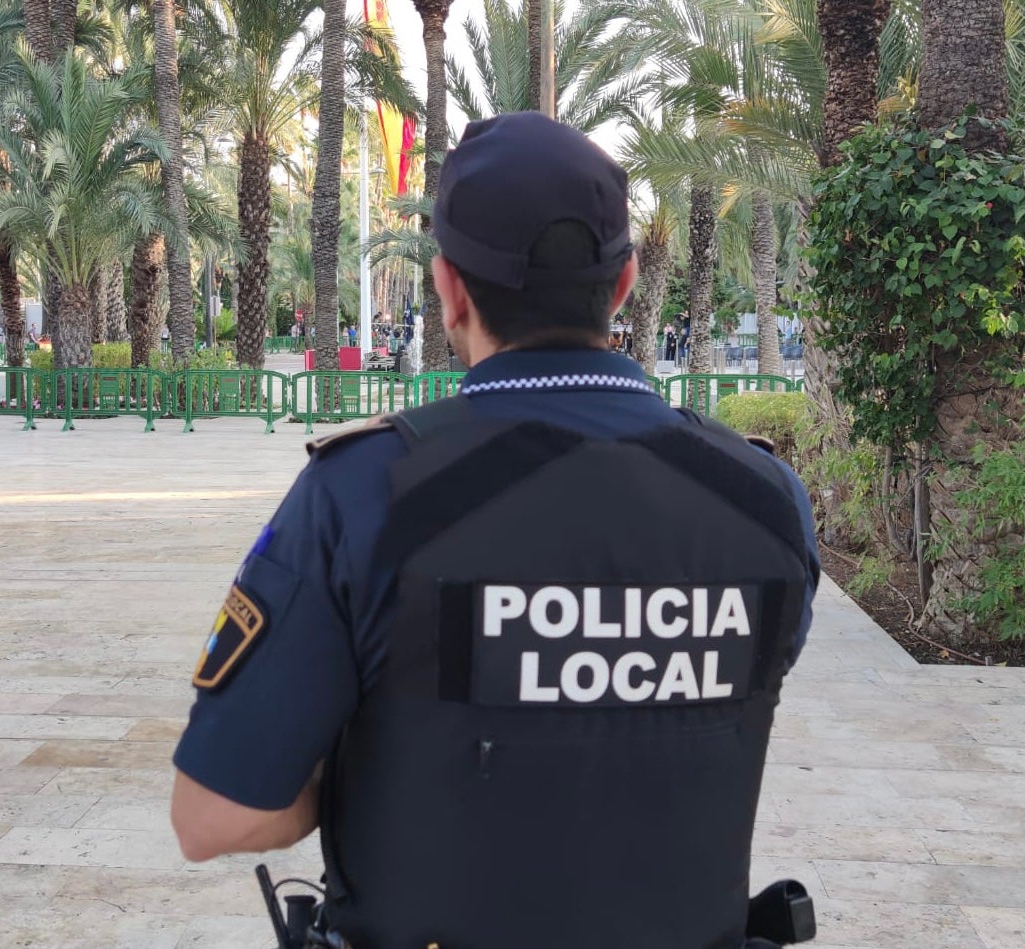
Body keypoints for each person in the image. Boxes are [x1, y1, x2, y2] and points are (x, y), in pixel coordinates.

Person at [170, 112, 820, 948]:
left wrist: (363, 775)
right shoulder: (764, 499)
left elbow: (214, 815)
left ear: (448, 289)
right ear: (622, 286)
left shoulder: (367, 497)